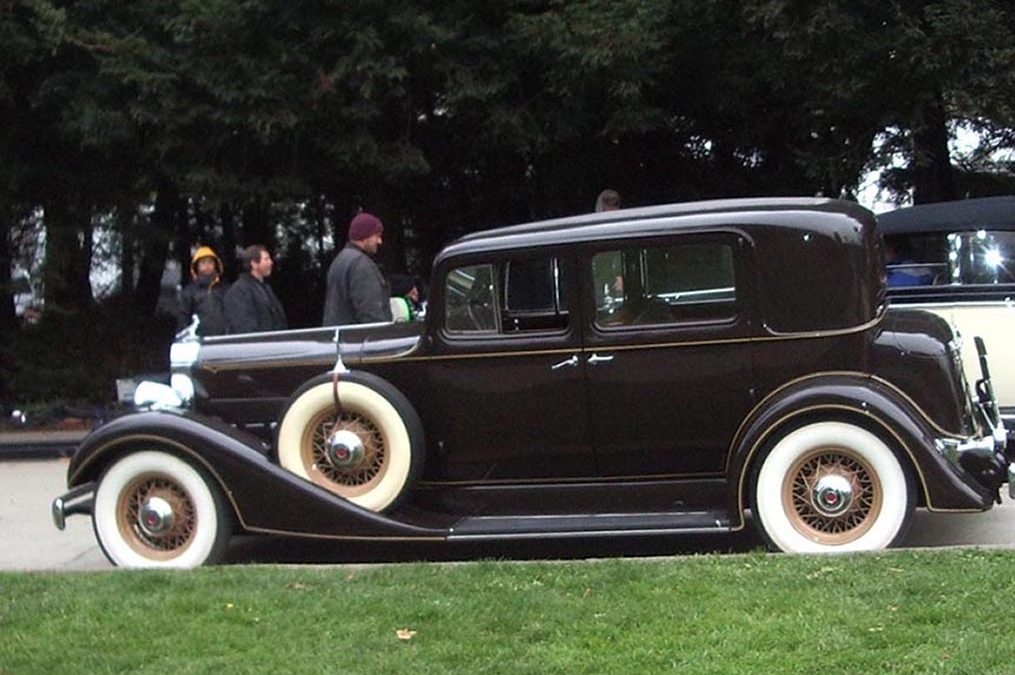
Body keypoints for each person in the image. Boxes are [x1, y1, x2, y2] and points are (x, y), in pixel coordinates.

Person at [322, 212, 392, 326]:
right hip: (358, 340)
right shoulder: (361, 264)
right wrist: (380, 338)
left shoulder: (339, 261)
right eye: (377, 236)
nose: (380, 242)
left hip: (338, 338)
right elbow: (370, 314)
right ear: (365, 236)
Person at [224, 245, 288, 333]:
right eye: (266, 259)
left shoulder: (266, 289)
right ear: (254, 264)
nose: (271, 262)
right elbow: (244, 328)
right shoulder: (239, 291)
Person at [177, 245, 228, 336]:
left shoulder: (225, 289)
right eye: (203, 263)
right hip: (198, 341)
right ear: (196, 267)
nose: (207, 266)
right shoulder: (189, 292)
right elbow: (183, 319)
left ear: (215, 265)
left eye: (210, 262)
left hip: (223, 340)